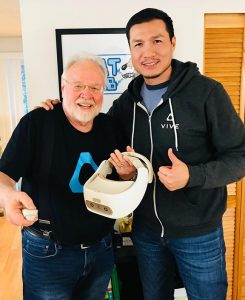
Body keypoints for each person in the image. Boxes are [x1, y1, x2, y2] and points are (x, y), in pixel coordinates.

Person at [38, 8, 245, 300]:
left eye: (157, 41)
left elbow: (240, 156)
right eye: (138, 44)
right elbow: (92, 130)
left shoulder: (207, 93)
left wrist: (192, 175)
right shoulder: (126, 102)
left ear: (173, 42)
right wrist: (57, 113)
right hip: (146, 232)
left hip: (199, 234)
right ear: (131, 51)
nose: (148, 51)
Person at [0, 53, 136, 300]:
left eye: (95, 87)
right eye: (78, 86)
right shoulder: (37, 122)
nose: (87, 94)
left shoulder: (111, 127)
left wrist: (128, 175)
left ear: (103, 92)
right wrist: (8, 196)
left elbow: (123, 182)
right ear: (63, 88)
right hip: (47, 253)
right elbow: (4, 175)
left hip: (101, 249)